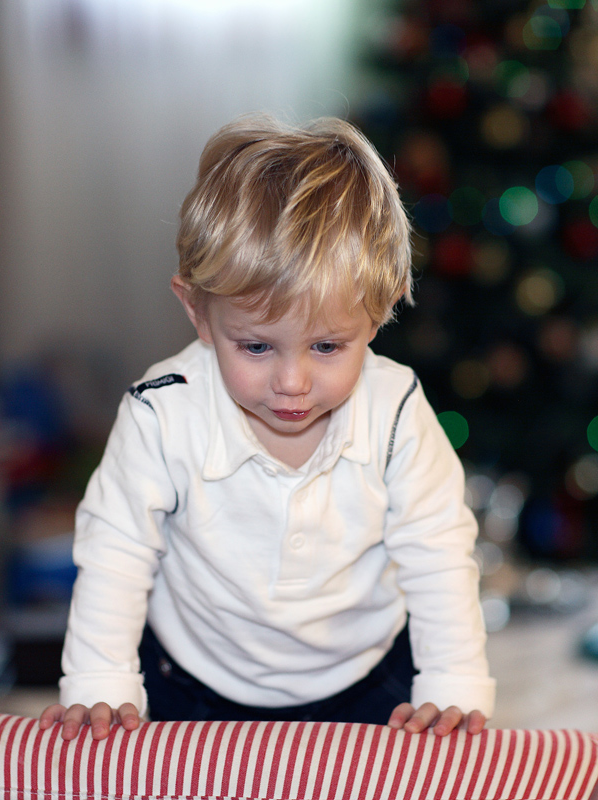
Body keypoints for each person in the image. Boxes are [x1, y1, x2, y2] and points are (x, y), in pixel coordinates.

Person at [39, 115, 495, 741]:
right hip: (191, 677)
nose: (293, 381)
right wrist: (98, 680)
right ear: (197, 312)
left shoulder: (396, 411)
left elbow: (439, 550)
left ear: (380, 311)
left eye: (328, 346)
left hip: (368, 677)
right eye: (256, 348)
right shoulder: (161, 412)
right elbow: (116, 549)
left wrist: (452, 682)